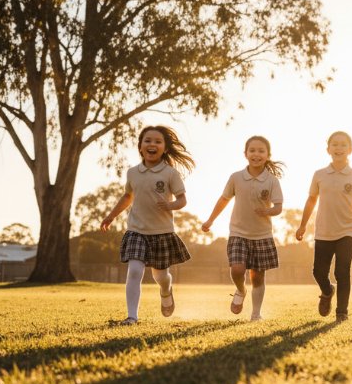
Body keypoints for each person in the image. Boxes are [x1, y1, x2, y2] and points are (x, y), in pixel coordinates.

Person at [101, 125, 194, 325]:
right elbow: (128, 196)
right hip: (136, 230)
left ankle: (166, 290)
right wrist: (110, 216)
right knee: (134, 270)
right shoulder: (133, 173)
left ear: (165, 148)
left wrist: (170, 205)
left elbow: (182, 200)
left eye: (158, 141)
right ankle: (132, 317)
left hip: (162, 233)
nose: (152, 144)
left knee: (161, 276)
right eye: (148, 141)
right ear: (140, 146)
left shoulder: (170, 173)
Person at [201, 136, 284, 321]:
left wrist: (268, 211)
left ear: (268, 155)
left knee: (258, 278)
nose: (256, 154)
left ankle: (256, 314)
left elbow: (278, 207)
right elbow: (223, 200)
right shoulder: (236, 177)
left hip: (262, 235)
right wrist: (210, 220)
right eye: (252, 150)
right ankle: (240, 290)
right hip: (238, 233)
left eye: (261, 151)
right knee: (237, 270)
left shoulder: (272, 181)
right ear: (245, 154)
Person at [295, 131, 352, 322]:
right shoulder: (319, 175)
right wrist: (302, 225)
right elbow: (311, 200)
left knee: (342, 271)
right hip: (323, 231)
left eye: (343, 145)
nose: (339, 148)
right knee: (318, 271)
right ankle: (327, 291)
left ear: (350, 150)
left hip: (347, 230)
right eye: (335, 145)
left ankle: (341, 312)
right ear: (328, 149)